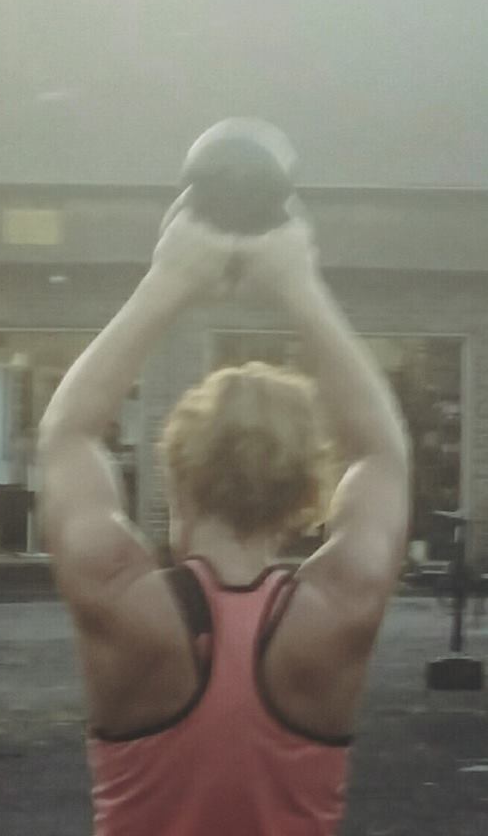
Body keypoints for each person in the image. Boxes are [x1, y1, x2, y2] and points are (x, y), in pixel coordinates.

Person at [38, 210, 409, 836]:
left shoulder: (120, 596)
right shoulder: (343, 604)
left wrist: (170, 279)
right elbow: (382, 455)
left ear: (178, 480)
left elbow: (67, 437)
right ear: (306, 498)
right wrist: (300, 288)